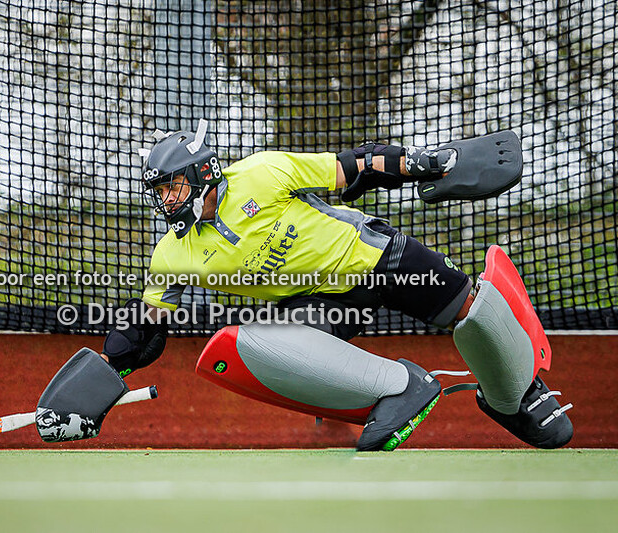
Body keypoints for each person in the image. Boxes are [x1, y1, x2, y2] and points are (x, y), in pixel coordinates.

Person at [100, 120, 573, 451]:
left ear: (202, 173)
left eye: (172, 186)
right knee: (266, 341)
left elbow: (354, 165)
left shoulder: (262, 172)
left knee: (469, 310)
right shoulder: (171, 254)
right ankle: (402, 389)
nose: (166, 200)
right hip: (324, 302)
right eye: (159, 192)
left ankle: (516, 392)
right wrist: (104, 373)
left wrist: (422, 163)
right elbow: (147, 326)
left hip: (376, 256)